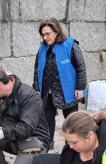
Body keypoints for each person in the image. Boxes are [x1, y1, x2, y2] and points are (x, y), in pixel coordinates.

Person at [33, 19, 87, 147]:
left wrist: (80, 88)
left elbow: (81, 68)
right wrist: (37, 88)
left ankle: (71, 144)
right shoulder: (42, 48)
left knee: (71, 120)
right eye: (43, 35)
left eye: (48, 34)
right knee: (47, 118)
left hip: (67, 91)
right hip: (48, 91)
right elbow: (37, 69)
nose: (45, 37)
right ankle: (47, 143)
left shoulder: (71, 45)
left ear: (56, 32)